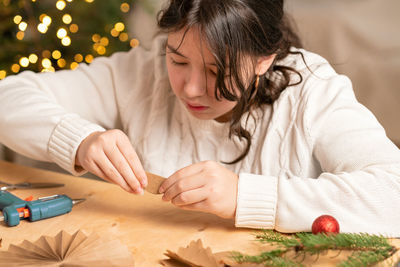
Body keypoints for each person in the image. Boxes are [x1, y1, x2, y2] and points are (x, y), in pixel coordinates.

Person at [0, 0, 399, 236]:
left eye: (215, 71)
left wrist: (244, 196)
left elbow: (391, 194)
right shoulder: (141, 74)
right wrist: (81, 140)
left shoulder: (313, 91)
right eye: (178, 60)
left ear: (265, 59)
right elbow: (8, 98)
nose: (191, 88)